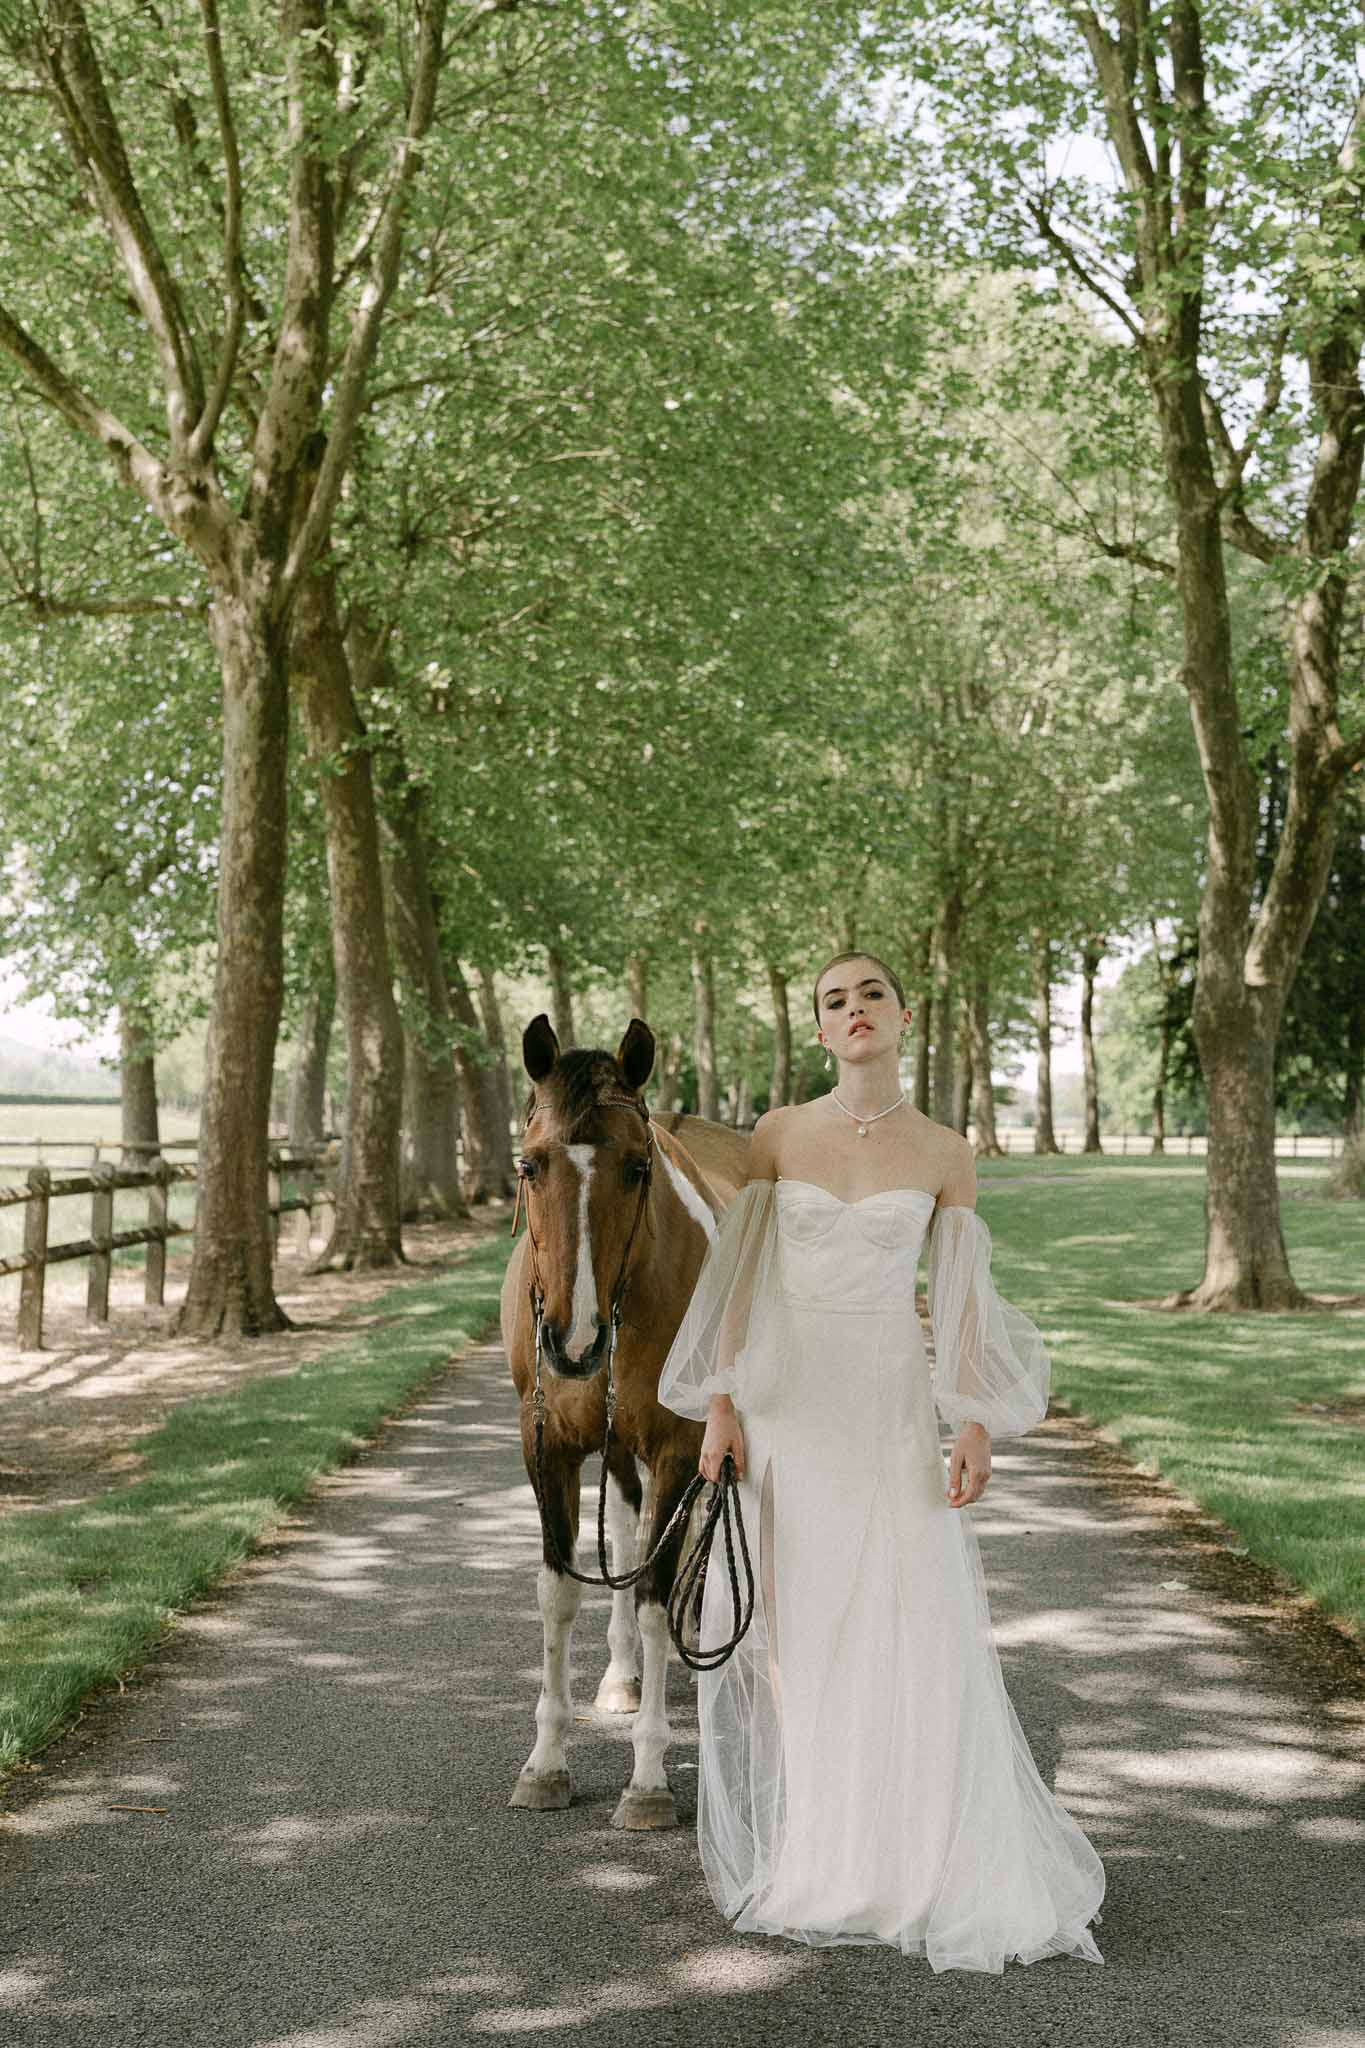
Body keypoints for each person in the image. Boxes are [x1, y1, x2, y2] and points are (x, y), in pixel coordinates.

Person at [656, 951, 1106, 1975]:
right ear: (819, 1030)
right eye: (832, 999)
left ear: (905, 1015)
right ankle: (824, 1848)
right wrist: (721, 1405)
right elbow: (737, 1282)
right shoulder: (778, 1134)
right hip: (788, 1401)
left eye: (870, 994)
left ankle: (924, 1852)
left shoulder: (945, 1150)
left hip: (888, 1400)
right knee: (801, 1620)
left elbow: (960, 1295)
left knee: (915, 1611)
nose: (853, 1009)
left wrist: (977, 1417)